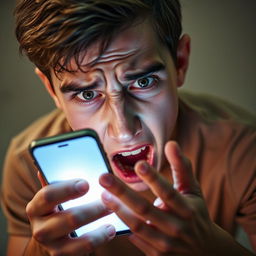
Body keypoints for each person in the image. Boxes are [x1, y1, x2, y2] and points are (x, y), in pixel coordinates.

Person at [1, 0, 256, 255]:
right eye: (88, 95)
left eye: (144, 82)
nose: (123, 130)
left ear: (180, 62)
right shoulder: (28, 164)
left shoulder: (243, 151)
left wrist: (212, 248)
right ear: (51, 90)